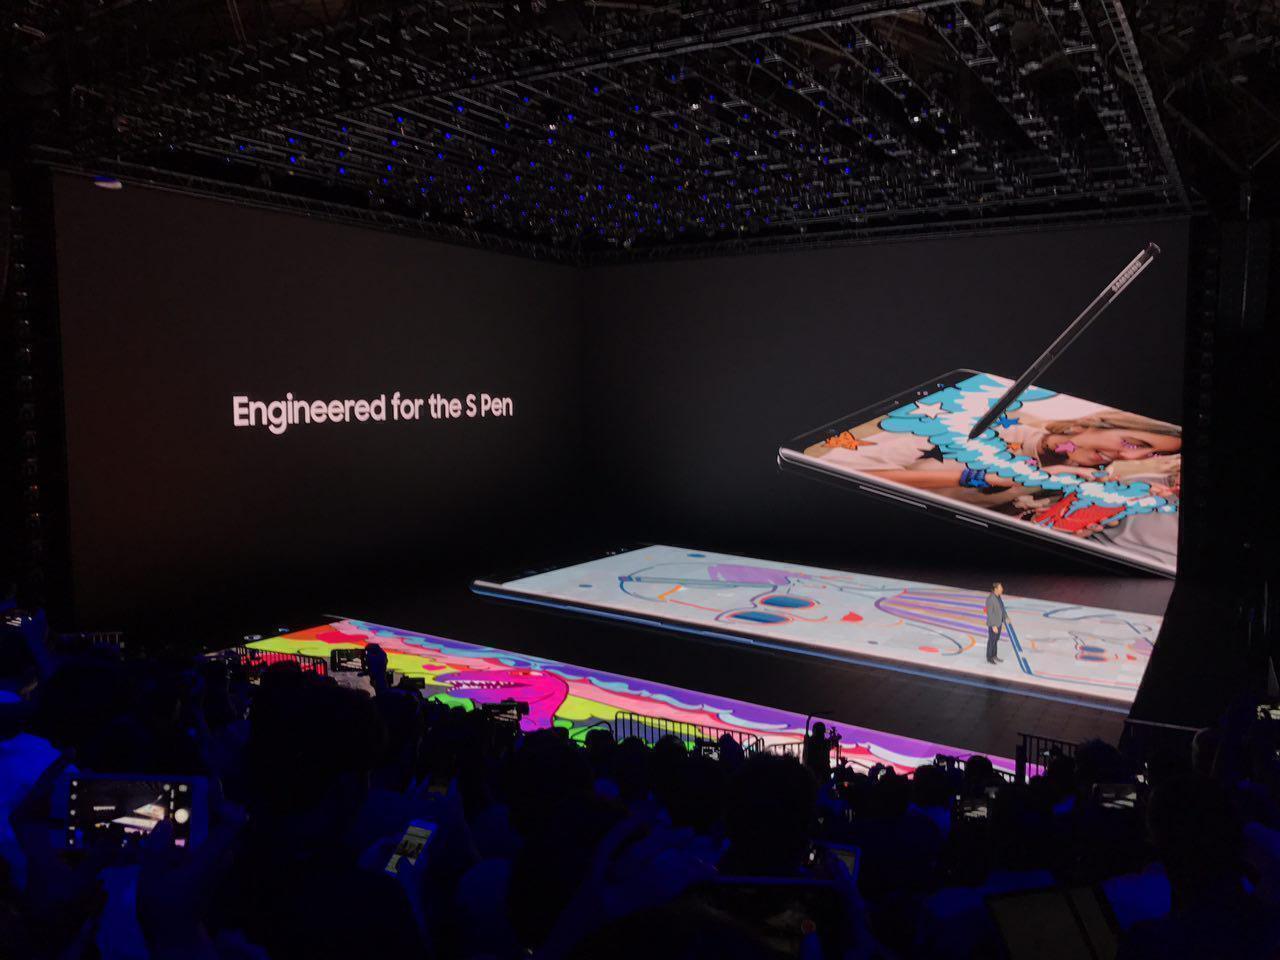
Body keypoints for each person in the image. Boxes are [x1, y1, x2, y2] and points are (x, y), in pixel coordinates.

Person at [984, 583, 1009, 665]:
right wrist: (993, 625)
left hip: (999, 622)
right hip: (994, 624)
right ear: (995, 589)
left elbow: (1002, 608)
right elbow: (989, 613)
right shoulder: (990, 599)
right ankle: (989, 657)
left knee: (996, 640)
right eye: (1000, 588)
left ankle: (994, 655)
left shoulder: (998, 597)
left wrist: (1006, 617)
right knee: (992, 641)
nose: (1002, 589)